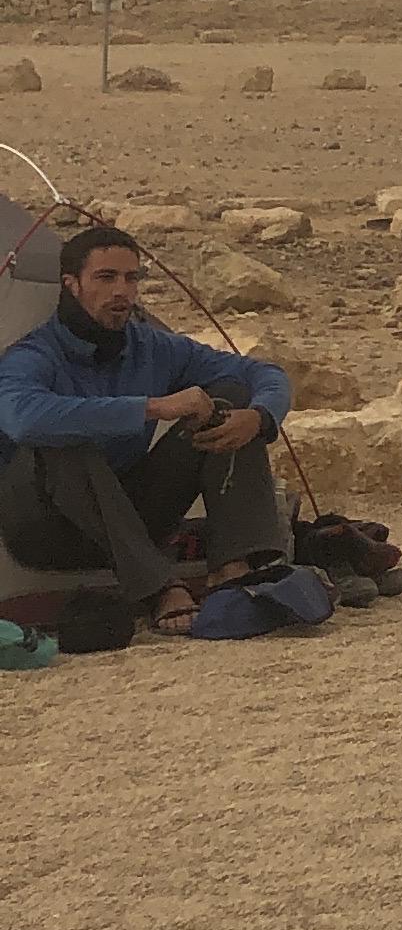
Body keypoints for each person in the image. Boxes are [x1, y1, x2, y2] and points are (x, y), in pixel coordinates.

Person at [0, 223, 296, 638]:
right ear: (72, 285)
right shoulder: (33, 355)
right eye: (106, 278)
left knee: (228, 399)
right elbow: (22, 418)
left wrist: (262, 416)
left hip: (131, 515)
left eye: (131, 278)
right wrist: (152, 407)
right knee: (61, 439)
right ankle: (158, 588)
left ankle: (232, 568)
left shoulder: (152, 347)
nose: (121, 291)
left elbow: (260, 372)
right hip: (45, 528)